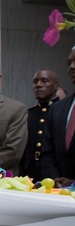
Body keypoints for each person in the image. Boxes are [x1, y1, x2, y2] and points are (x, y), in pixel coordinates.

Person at [41, 47, 75, 185]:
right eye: (69, 63)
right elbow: (47, 152)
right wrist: (54, 179)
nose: (72, 66)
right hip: (58, 194)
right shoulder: (58, 108)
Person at [21, 69, 62, 181]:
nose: (38, 85)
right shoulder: (29, 113)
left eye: (44, 81)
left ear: (56, 86)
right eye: (35, 82)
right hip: (30, 173)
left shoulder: (63, 111)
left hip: (56, 175)